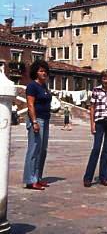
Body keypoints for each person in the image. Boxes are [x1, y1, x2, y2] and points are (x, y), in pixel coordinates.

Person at [83, 69, 107, 187]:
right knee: (96, 148)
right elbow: (92, 107)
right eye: (104, 79)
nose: (106, 81)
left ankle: (104, 176)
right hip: (99, 121)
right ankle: (88, 177)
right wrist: (92, 124)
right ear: (101, 79)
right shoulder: (96, 90)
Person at [23, 60, 52, 190]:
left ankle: (38, 178)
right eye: (41, 70)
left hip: (46, 120)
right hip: (37, 120)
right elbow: (30, 104)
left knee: (42, 150)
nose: (43, 73)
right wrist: (34, 122)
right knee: (34, 149)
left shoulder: (44, 86)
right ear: (35, 72)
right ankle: (30, 179)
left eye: (45, 70)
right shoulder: (32, 86)